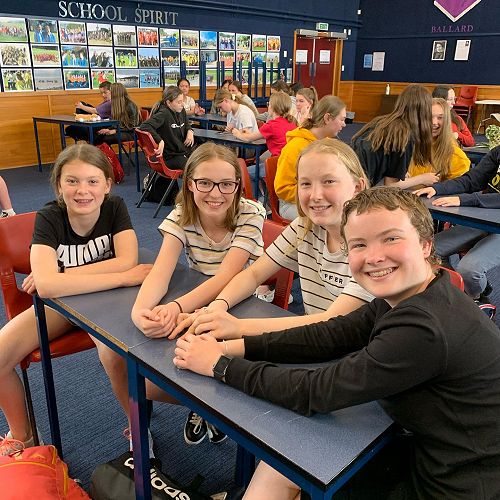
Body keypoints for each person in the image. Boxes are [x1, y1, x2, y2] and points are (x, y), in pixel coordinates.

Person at [174, 186, 500, 500]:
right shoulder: (419, 293)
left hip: (457, 484)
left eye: (391, 238)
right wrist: (232, 346)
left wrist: (219, 366)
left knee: (288, 462)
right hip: (435, 450)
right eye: (359, 244)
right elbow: (332, 335)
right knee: (286, 462)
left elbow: (316, 391)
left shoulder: (422, 326)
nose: (374, 257)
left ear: (426, 245)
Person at [0, 144, 152, 456]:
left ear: (106, 184)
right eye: (72, 181)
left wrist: (61, 273)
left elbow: (127, 260)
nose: (83, 190)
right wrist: (121, 275)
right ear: (59, 185)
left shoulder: (114, 207)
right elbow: (46, 286)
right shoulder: (50, 216)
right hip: (64, 305)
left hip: (106, 304)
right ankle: (25, 437)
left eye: (92, 181)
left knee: (113, 357)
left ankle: (139, 429)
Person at [131, 142, 265, 446]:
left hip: (240, 301)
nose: (216, 193)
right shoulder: (182, 215)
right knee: (164, 360)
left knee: (210, 351)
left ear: (237, 185)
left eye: (226, 184)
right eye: (205, 183)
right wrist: (139, 312)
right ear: (190, 183)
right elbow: (160, 272)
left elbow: (227, 275)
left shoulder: (251, 212)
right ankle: (202, 406)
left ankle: (211, 408)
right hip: (198, 297)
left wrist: (177, 307)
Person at [174, 138, 372, 338]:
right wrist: (216, 307)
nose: (315, 195)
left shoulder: (373, 246)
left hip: (355, 349)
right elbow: (253, 275)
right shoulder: (304, 227)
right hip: (314, 341)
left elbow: (332, 322)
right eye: (305, 183)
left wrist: (238, 327)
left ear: (357, 187)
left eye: (329, 181)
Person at [415, 145, 500, 307]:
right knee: (428, 250)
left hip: (494, 225)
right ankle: (467, 288)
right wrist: (436, 189)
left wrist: (465, 200)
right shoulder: (498, 152)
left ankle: (476, 300)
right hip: (484, 220)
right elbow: (471, 180)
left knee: (469, 270)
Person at [276, 95, 347, 220]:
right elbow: (282, 189)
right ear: (327, 118)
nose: (344, 124)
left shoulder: (327, 143)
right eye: (342, 119)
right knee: (333, 218)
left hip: (318, 198)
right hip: (292, 203)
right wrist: (319, 193)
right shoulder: (295, 147)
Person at [352, 83, 433, 187]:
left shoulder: (382, 121)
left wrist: (399, 171)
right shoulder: (405, 135)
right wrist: (423, 179)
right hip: (354, 182)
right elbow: (391, 185)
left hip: (348, 167)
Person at [402, 97, 470, 189]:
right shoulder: (408, 146)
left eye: (440, 118)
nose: (434, 122)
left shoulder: (457, 157)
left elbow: (457, 191)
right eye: (429, 117)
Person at [231, 92, 297, 186]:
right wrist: (247, 133)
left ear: (273, 107)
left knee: (245, 173)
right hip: (290, 164)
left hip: (277, 165)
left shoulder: (271, 125)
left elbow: (248, 139)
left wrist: (237, 133)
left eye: (268, 104)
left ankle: (257, 195)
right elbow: (255, 135)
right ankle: (265, 192)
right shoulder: (292, 122)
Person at [138, 86, 194, 169]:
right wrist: (160, 141)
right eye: (179, 102)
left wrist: (190, 131)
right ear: (168, 103)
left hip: (180, 151)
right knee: (194, 168)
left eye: (183, 101)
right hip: (170, 156)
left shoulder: (181, 110)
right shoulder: (164, 113)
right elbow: (144, 126)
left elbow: (186, 124)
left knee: (201, 159)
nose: (183, 104)